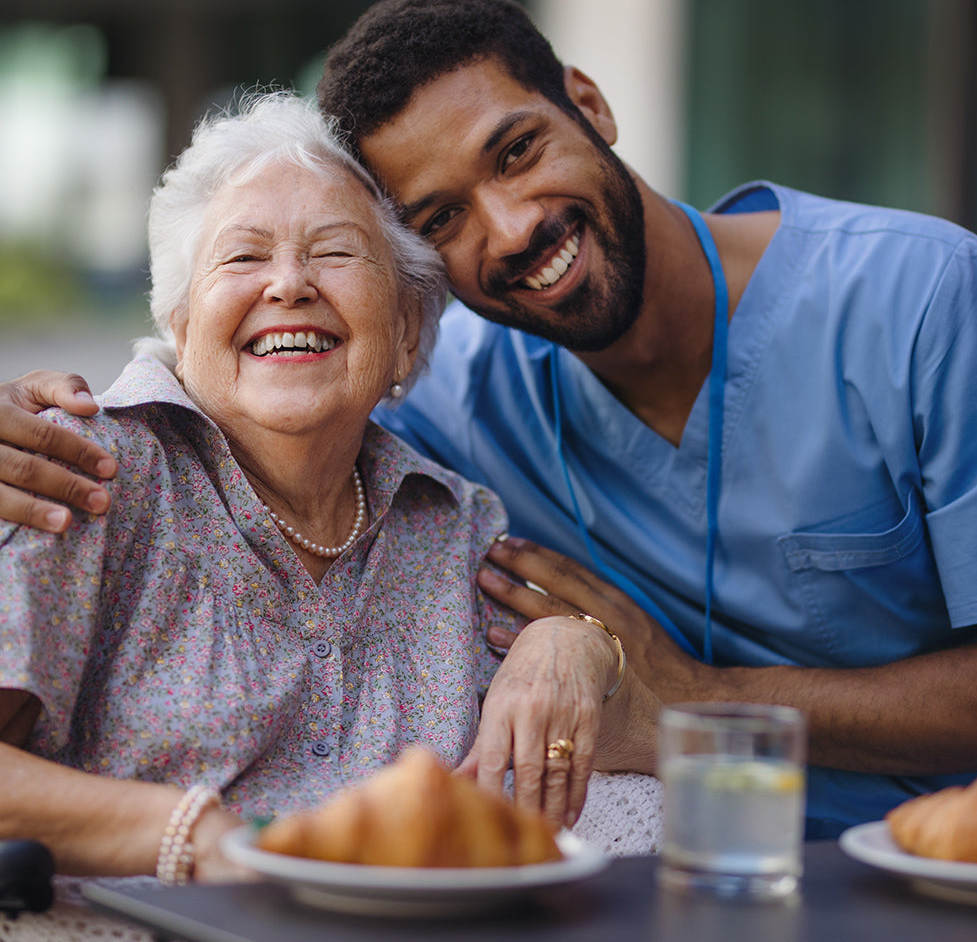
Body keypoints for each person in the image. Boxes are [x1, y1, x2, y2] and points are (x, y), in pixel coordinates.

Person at [1, 0, 977, 840]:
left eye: (518, 151)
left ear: (590, 105)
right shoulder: (445, 398)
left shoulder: (926, 301)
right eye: (442, 217)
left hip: (940, 873)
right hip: (686, 881)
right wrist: (22, 426)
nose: (513, 228)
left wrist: (674, 690)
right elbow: (274, 395)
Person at [0, 91, 658, 883]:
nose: (289, 284)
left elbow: (585, 765)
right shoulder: (76, 469)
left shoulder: (455, 526)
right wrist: (195, 838)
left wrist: (577, 641)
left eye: (336, 253)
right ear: (181, 322)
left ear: (406, 332)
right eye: (243, 257)